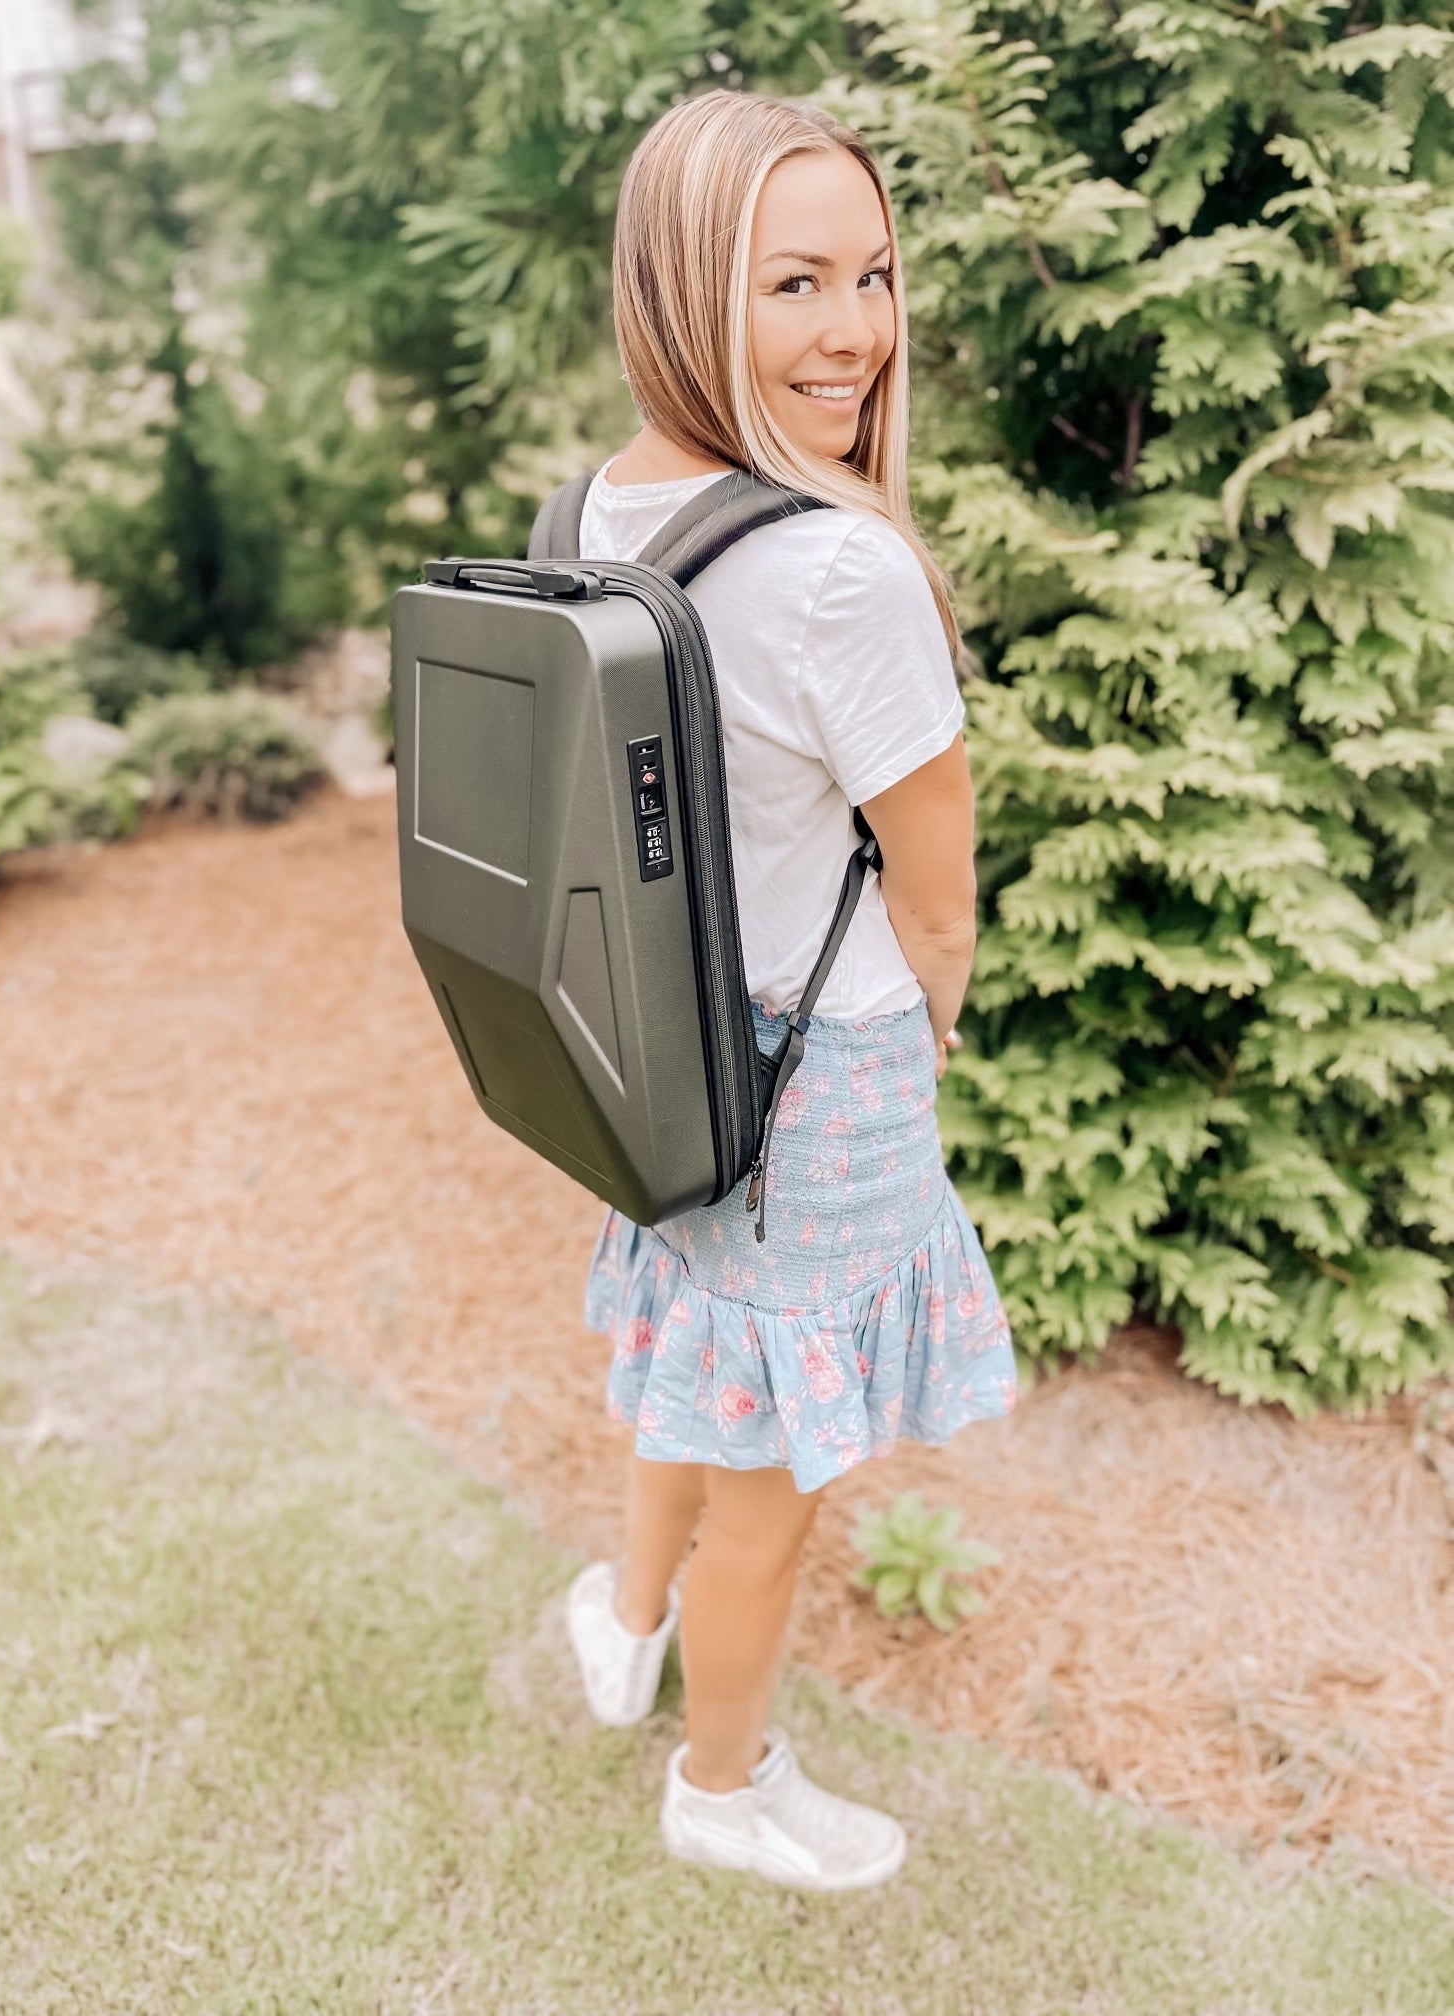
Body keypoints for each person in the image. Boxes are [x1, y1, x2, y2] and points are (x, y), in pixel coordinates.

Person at [563, 88, 1019, 1892]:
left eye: (877, 275)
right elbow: (942, 896)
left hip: (663, 1059)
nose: (855, 331)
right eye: (795, 282)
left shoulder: (611, 498)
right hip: (814, 1076)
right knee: (775, 1478)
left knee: (700, 1375)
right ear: (686, 289)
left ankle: (624, 1620)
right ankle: (724, 1787)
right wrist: (938, 1038)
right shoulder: (839, 566)